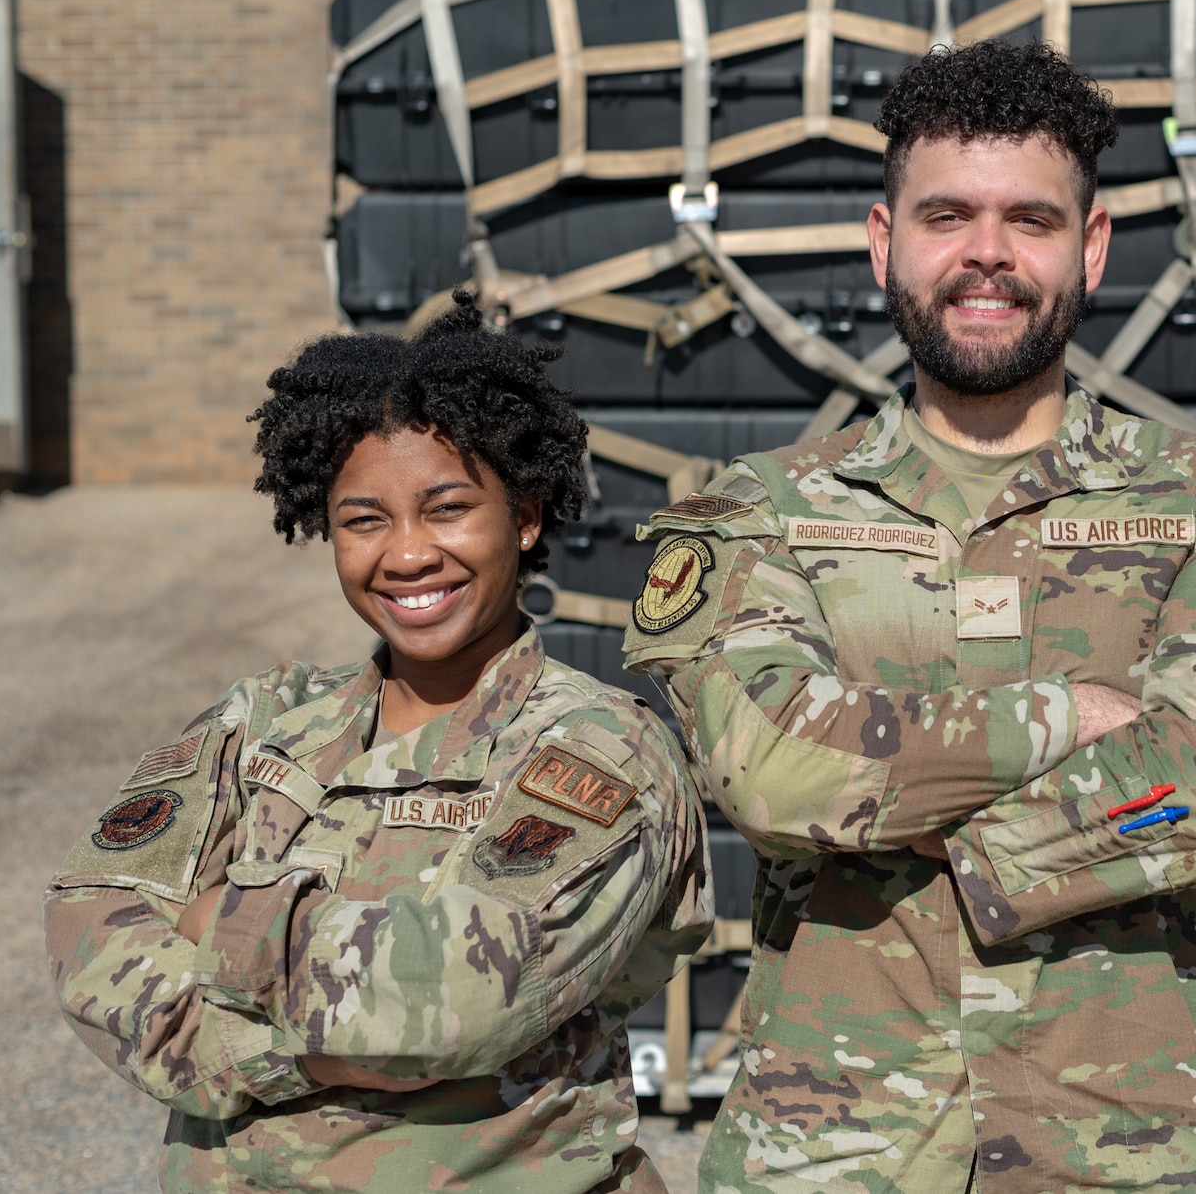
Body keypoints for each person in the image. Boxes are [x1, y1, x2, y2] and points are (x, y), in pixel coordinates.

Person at [622, 38, 1196, 1192]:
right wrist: (1072, 718)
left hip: (1123, 1142)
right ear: (883, 243)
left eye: (1031, 220)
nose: (986, 255)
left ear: (1092, 247)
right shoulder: (758, 514)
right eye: (946, 215)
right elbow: (762, 766)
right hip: (832, 1144)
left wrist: (901, 798)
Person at [45, 301, 712, 1192]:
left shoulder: (601, 751)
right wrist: (295, 1044)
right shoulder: (264, 721)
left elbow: (462, 998)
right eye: (364, 521)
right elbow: (90, 919)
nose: (406, 555)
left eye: (446, 509)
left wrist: (222, 927)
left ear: (524, 517)